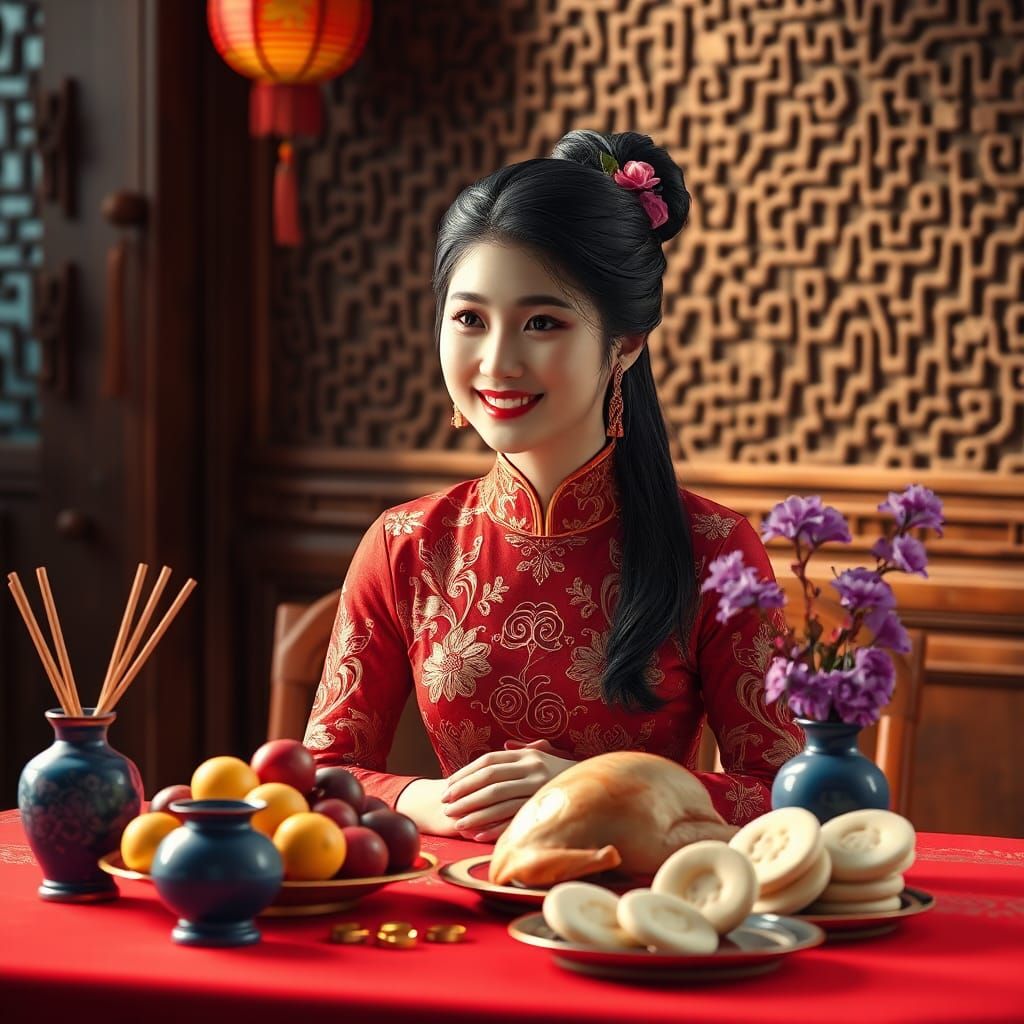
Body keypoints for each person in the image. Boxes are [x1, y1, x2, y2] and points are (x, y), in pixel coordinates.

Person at [303, 129, 803, 841]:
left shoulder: (715, 550)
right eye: (469, 319)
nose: (496, 361)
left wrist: (593, 789)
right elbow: (322, 773)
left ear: (625, 343)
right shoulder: (406, 544)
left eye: (541, 322)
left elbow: (783, 793)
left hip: (641, 900)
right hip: (461, 893)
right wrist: (423, 799)